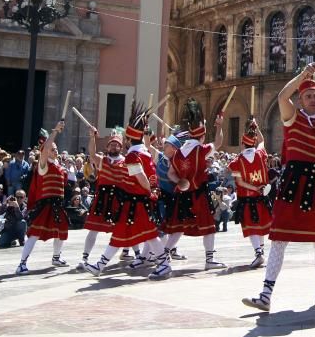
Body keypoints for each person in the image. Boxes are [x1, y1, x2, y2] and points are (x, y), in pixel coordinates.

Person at [243, 63, 315, 312]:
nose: (313, 99)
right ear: (300, 99)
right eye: (308, 96)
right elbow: (281, 96)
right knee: (278, 238)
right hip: (293, 186)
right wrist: (302, 75)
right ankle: (265, 295)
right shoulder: (292, 117)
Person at [85, 105, 173, 280]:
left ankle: (164, 265)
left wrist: (148, 191)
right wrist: (151, 191)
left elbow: (141, 178)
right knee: (123, 233)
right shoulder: (145, 153)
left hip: (136, 201)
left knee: (148, 235)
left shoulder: (133, 156)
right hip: (136, 202)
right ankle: (100, 265)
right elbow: (151, 175)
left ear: (128, 140)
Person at [164, 99, 225, 270]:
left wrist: (180, 181)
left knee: (179, 227)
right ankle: (210, 260)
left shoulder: (176, 154)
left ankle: (164, 255)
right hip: (199, 193)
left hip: (182, 194)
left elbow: (170, 173)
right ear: (202, 135)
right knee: (209, 227)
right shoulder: (201, 150)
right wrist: (219, 126)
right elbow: (219, 143)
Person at [16, 122, 69, 274]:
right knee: (35, 233)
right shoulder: (43, 164)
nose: (55, 151)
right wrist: (55, 132)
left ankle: (56, 257)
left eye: (56, 149)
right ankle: (22, 264)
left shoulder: (59, 166)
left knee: (62, 230)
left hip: (58, 204)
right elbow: (45, 148)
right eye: (53, 149)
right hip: (46, 205)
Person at [78, 128, 126, 270]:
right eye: (111, 144)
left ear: (121, 147)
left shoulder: (125, 161)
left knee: (123, 227)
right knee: (93, 229)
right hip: (102, 200)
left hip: (118, 200)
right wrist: (92, 137)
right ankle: (84, 258)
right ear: (107, 147)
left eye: (117, 145)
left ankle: (131, 252)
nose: (114, 146)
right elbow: (92, 154)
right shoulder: (102, 159)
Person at [229, 117, 273, 268]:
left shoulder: (235, 162)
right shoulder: (261, 154)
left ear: (242, 143)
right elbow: (262, 141)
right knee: (260, 226)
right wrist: (256, 126)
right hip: (262, 198)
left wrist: (254, 188)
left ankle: (258, 254)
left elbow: (240, 182)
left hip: (247, 199)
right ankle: (261, 252)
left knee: (252, 226)